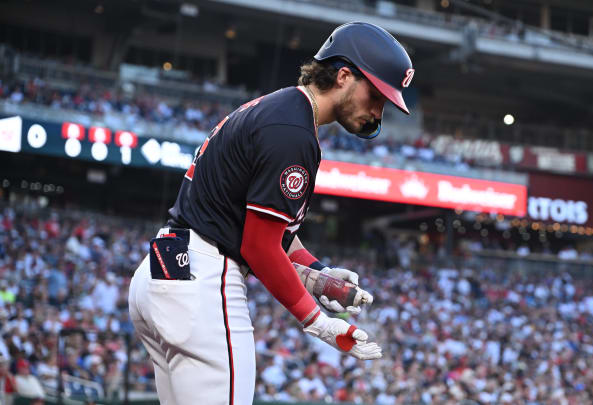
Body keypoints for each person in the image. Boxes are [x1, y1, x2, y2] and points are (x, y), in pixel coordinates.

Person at [128, 22, 415, 405]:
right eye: (376, 94)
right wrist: (319, 323)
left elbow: (268, 226)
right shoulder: (292, 132)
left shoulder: (280, 109)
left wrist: (319, 274)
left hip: (166, 269)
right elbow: (259, 245)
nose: (379, 110)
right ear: (344, 75)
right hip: (204, 280)